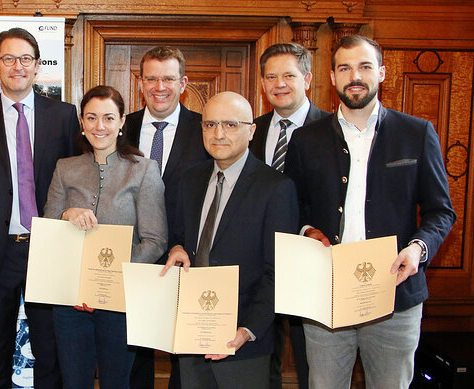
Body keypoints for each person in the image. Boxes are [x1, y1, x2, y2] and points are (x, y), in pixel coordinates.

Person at [284, 35, 456, 389]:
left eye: (364, 66)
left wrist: (418, 248)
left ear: (381, 73)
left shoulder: (417, 133)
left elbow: (441, 211)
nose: (355, 76)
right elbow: (292, 207)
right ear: (332, 77)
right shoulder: (306, 139)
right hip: (325, 296)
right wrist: (306, 231)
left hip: (396, 295)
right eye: (345, 68)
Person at [0, 27, 79, 389]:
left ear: (37, 65)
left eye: (25, 58)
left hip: (49, 248)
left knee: (49, 350)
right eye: (8, 58)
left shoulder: (64, 116)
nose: (17, 66)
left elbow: (76, 180)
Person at [162, 91, 298, 389]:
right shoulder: (190, 179)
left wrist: (247, 329)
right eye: (210, 125)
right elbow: (179, 237)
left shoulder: (276, 188)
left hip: (245, 342)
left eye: (230, 125)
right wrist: (176, 247)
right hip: (192, 332)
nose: (218, 134)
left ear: (251, 131)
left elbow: (279, 271)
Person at [44, 85, 167, 389]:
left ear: (122, 121)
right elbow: (46, 230)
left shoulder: (143, 170)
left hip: (120, 302)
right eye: (92, 118)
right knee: (74, 383)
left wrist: (108, 282)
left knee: (117, 383)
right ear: (82, 123)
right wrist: (65, 215)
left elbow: (155, 241)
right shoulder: (65, 169)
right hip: (70, 302)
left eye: (109, 118)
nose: (100, 126)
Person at [123, 45, 209, 389]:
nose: (160, 87)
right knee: (135, 353)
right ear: (140, 83)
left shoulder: (205, 129)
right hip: (135, 255)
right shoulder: (121, 128)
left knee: (185, 355)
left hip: (187, 255)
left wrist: (185, 244)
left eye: (169, 79)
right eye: (152, 78)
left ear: (183, 82)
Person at [250, 42, 330, 389]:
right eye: (271, 76)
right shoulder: (250, 129)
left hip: (310, 256)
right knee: (259, 354)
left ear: (307, 79)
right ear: (263, 83)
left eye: (288, 75)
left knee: (312, 357)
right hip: (256, 259)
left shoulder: (333, 129)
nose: (279, 84)